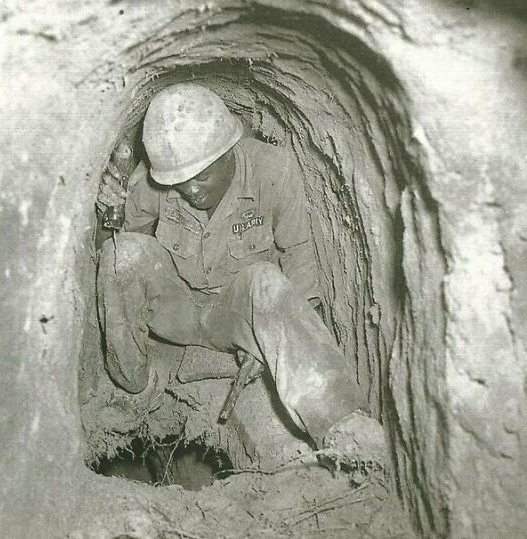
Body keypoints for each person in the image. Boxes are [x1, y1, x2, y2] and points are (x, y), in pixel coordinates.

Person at [95, 83, 384, 466]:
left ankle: (345, 429)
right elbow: (109, 248)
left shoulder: (273, 170)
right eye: (179, 182)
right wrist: (108, 212)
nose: (191, 190)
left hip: (232, 314)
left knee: (264, 280)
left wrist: (272, 345)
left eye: (202, 176)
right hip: (176, 307)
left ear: (229, 149)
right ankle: (136, 387)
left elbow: (300, 263)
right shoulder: (157, 180)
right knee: (124, 253)